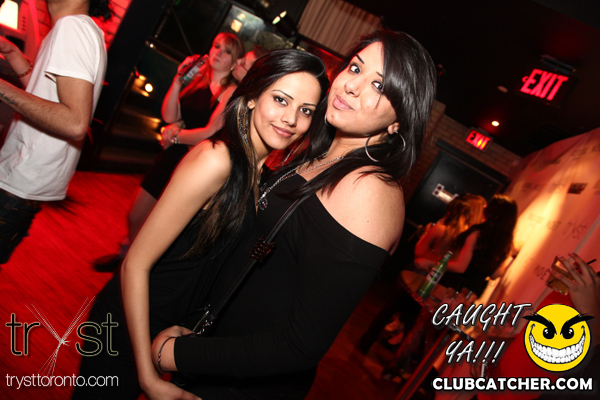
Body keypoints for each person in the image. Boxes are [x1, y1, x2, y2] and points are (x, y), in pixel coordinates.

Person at [150, 29, 438, 399]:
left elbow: (300, 345)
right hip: (216, 359)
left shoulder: (370, 190)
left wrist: (178, 355)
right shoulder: (321, 157)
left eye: (379, 85)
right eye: (355, 68)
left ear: (400, 119)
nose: (352, 86)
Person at [73, 49, 329, 400]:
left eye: (306, 110)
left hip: (165, 328)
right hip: (128, 323)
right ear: (252, 97)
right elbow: (135, 264)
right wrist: (147, 377)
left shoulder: (259, 173)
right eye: (281, 100)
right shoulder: (217, 159)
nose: (291, 119)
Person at [0, 0, 110, 263]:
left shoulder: (72, 29)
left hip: (19, 179)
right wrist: (13, 54)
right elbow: (48, 95)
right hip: (28, 180)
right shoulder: (80, 28)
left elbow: (73, 122)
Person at [125, 32, 245, 251]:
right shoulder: (199, 80)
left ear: (235, 62)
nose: (218, 53)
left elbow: (210, 131)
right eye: (216, 46)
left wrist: (174, 135)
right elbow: (170, 116)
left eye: (227, 51)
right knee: (135, 216)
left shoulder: (231, 92)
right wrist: (178, 80)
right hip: (172, 153)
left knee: (158, 224)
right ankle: (130, 255)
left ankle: (136, 261)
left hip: (193, 161)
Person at [383, 194, 518, 382]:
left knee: (422, 328)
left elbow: (460, 266)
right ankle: (416, 378)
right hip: (471, 295)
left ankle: (395, 369)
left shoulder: (477, 233)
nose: (485, 208)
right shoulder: (505, 245)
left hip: (453, 288)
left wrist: (431, 262)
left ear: (493, 211)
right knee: (438, 338)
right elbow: (495, 274)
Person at [359, 194, 487, 354]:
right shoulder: (466, 238)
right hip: (436, 281)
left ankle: (366, 343)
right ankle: (399, 359)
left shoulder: (440, 229)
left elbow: (419, 251)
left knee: (389, 309)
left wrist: (427, 237)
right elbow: (457, 264)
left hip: (416, 273)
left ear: (452, 211)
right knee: (412, 320)